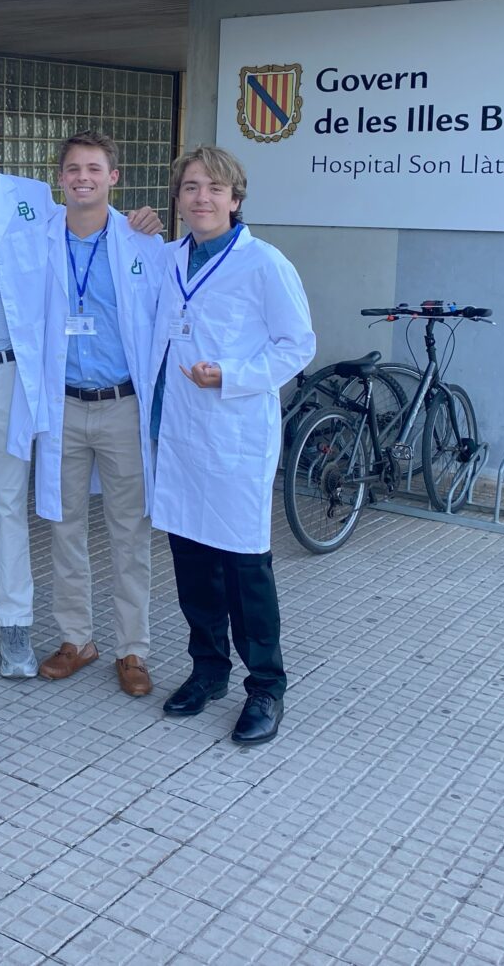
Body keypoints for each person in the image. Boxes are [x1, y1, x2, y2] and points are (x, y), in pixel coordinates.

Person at [0, 92, 163, 678]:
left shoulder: (28, 200)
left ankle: (19, 628)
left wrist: (139, 219)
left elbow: (96, 223)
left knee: (10, 506)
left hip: (12, 376)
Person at [143, 145, 314, 744]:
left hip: (234, 433)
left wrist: (234, 376)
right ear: (179, 198)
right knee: (191, 562)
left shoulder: (264, 264)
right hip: (180, 434)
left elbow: (296, 345)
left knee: (245, 566)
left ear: (235, 199)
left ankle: (266, 686)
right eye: (190, 187)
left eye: (215, 188)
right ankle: (208, 669)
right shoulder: (167, 260)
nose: (202, 198)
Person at [33, 132, 167, 697]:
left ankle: (132, 648)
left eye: (94, 168)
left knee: (129, 531)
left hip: (121, 405)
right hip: (61, 403)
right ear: (58, 179)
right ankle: (76, 639)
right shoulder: (37, 239)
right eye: (72, 169)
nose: (82, 177)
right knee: (64, 528)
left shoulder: (144, 244)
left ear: (114, 177)